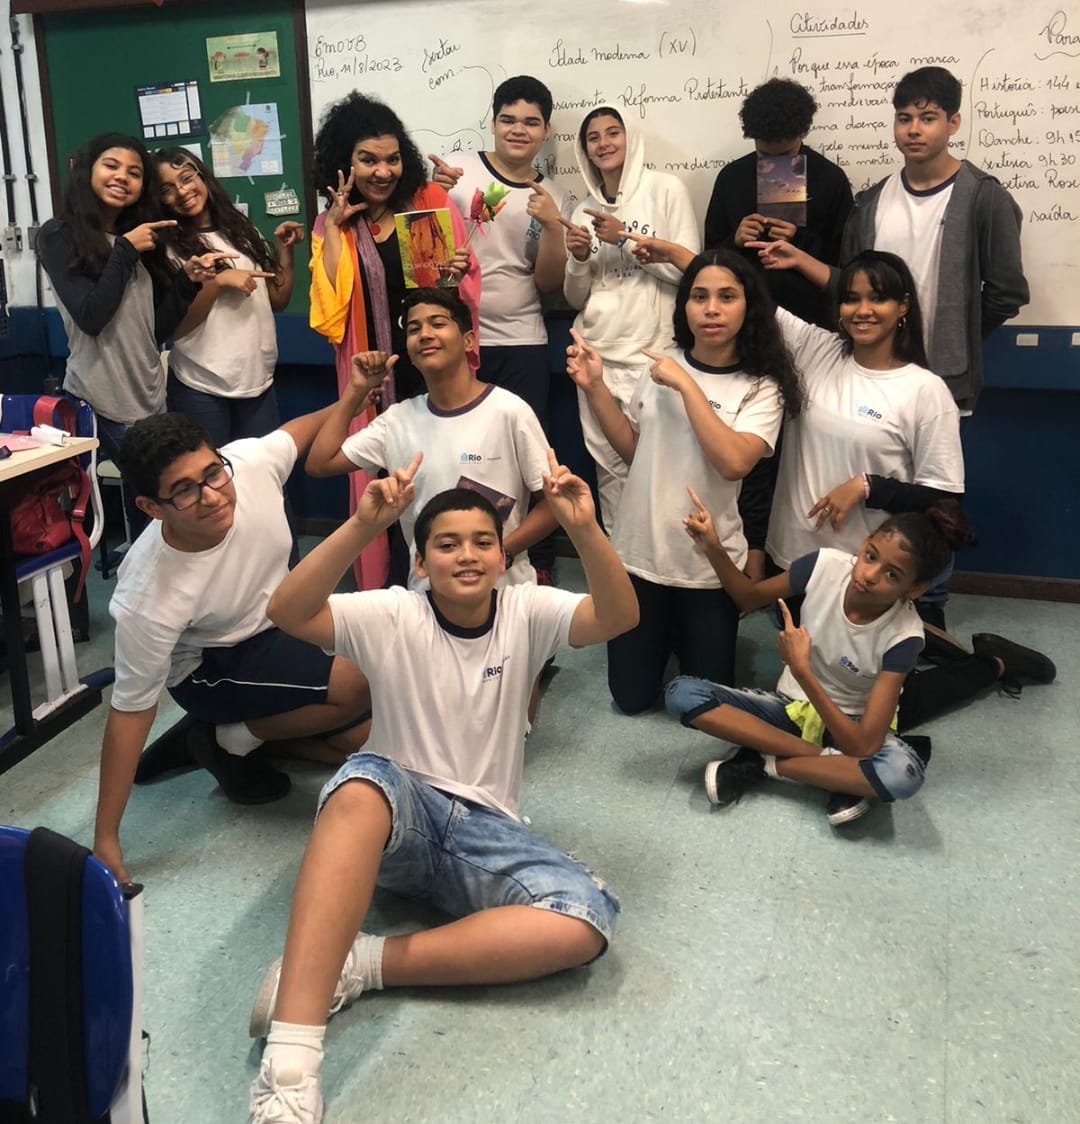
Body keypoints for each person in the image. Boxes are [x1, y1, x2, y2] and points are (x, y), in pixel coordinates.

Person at [245, 457, 638, 1123]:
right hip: (400, 812)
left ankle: (362, 961)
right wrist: (361, 525)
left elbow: (619, 617)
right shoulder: (394, 612)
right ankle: (290, 1066)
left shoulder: (526, 609)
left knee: (586, 918)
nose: (468, 555)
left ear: (504, 556)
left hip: (487, 830)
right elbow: (287, 610)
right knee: (361, 782)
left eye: (483, 542)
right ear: (421, 562)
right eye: (447, 544)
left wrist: (584, 527)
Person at [92, 410, 373, 884]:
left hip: (279, 622)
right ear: (151, 507)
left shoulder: (246, 465)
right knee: (357, 685)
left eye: (212, 473)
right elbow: (130, 710)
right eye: (184, 490)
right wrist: (106, 838)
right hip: (210, 666)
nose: (212, 496)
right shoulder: (147, 595)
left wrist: (354, 395)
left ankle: (243, 736)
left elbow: (296, 433)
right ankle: (222, 737)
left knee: (366, 736)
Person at [567, 248, 801, 715]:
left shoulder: (761, 386)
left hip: (709, 568)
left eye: (727, 297)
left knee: (701, 704)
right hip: (640, 556)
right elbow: (635, 450)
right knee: (631, 699)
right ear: (685, 306)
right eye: (699, 296)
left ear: (748, 306)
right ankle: (664, 637)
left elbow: (734, 462)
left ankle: (682, 637)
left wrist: (688, 384)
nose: (711, 309)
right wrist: (594, 387)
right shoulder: (663, 363)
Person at [667, 499, 972, 826]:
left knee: (903, 775)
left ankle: (765, 763)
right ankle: (831, 768)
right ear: (864, 543)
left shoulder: (905, 636)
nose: (869, 575)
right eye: (870, 556)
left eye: (892, 574)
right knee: (681, 694)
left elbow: (863, 744)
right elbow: (749, 597)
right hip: (789, 708)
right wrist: (713, 547)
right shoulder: (824, 565)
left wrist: (802, 670)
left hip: (851, 725)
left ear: (914, 589)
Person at [757, 67, 1028, 414]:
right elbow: (850, 286)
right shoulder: (871, 202)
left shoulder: (983, 198)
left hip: (944, 380)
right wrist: (799, 258)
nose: (913, 129)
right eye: (904, 118)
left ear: (953, 123)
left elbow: (1007, 293)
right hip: (869, 376)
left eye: (927, 118)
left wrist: (956, 335)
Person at [309, 93, 481, 590]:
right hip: (372, 371)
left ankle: (447, 578)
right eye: (367, 160)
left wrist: (456, 275)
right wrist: (337, 228)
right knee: (378, 481)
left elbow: (454, 293)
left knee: (440, 472)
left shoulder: (427, 201)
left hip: (429, 365)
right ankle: (382, 591)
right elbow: (331, 313)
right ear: (344, 163)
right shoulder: (333, 223)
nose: (382, 172)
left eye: (392, 159)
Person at [36, 132, 226, 534]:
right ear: (87, 171)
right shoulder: (58, 235)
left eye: (135, 172)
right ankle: (149, 571)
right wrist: (124, 250)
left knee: (159, 505)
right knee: (159, 504)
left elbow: (153, 331)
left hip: (150, 395)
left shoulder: (140, 239)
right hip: (103, 398)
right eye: (112, 165)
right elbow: (91, 316)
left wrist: (186, 282)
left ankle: (160, 567)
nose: (122, 176)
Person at [307, 288, 557, 591]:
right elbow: (320, 463)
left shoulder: (509, 411)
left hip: (504, 591)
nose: (425, 334)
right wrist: (355, 391)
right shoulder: (397, 420)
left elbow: (553, 505)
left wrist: (502, 552)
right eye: (414, 329)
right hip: (426, 594)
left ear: (468, 340)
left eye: (438, 323)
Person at [431, 75, 575, 582]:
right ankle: (456, 550)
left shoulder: (553, 194)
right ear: (492, 123)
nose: (518, 130)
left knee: (530, 454)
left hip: (522, 338)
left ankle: (537, 559)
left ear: (546, 130)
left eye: (531, 122)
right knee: (460, 450)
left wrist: (552, 226)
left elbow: (549, 282)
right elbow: (422, 258)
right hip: (457, 337)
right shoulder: (457, 172)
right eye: (508, 119)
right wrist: (431, 195)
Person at [563, 106, 700, 529]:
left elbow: (690, 275)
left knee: (660, 468)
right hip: (597, 354)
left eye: (613, 133)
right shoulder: (583, 209)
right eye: (593, 137)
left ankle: (664, 560)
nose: (604, 144)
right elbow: (575, 297)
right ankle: (620, 562)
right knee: (610, 470)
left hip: (652, 353)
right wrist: (579, 258)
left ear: (631, 138)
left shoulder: (667, 190)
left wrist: (622, 238)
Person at [153, 147, 305, 447]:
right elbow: (177, 328)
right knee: (210, 472)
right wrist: (218, 282)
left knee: (261, 471)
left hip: (257, 382)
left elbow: (277, 299)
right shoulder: (167, 249)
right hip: (201, 387)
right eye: (167, 189)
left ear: (202, 177)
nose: (182, 191)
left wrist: (284, 250)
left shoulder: (242, 231)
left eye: (186, 178)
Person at [703, 77, 853, 328]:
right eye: (763, 154)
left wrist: (798, 239)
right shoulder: (732, 177)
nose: (774, 163)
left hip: (811, 320)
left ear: (802, 133)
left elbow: (844, 265)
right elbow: (708, 256)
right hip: (745, 317)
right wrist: (735, 241)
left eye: (785, 155)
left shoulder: (829, 178)